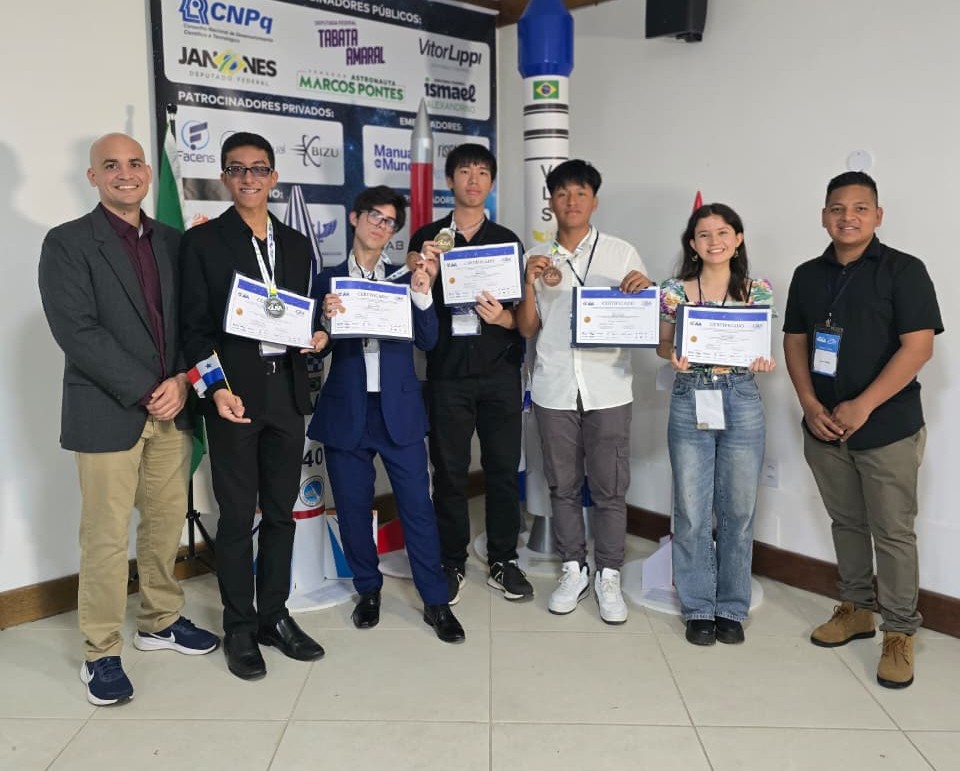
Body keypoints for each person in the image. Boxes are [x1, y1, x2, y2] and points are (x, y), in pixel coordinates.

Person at [38, 133, 220, 706]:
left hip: (173, 407)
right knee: (106, 537)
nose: (125, 173)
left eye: (135, 163)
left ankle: (161, 621)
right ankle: (101, 651)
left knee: (166, 524)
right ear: (92, 177)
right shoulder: (67, 243)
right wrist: (149, 389)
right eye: (110, 165)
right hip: (107, 410)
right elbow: (77, 331)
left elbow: (194, 323)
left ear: (149, 174)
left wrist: (184, 382)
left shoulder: (174, 241)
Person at [783, 171, 942, 688]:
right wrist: (808, 403)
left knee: (893, 533)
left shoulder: (904, 271)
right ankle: (856, 608)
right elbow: (795, 341)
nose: (846, 217)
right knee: (846, 522)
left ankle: (900, 631)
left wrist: (863, 406)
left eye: (858, 208)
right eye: (836, 208)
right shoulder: (808, 275)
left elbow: (918, 347)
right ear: (824, 214)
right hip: (824, 426)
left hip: (887, 427)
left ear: (878, 214)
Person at [179, 132, 328, 680]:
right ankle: (239, 627)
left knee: (282, 514)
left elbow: (298, 315)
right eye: (236, 169)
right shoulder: (203, 243)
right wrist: (215, 388)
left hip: (286, 395)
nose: (248, 178)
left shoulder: (294, 244)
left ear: (273, 176)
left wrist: (318, 335)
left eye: (258, 169)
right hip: (233, 398)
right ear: (224, 177)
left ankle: (274, 615)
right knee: (238, 518)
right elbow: (193, 331)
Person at [309, 185, 465, 643]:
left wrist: (421, 293)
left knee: (418, 508)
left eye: (389, 221)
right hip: (347, 411)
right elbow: (312, 350)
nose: (381, 225)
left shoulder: (405, 278)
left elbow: (429, 341)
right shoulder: (326, 280)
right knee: (355, 511)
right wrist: (323, 321)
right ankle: (368, 589)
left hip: (399, 411)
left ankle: (435, 600)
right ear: (355, 219)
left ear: (394, 232)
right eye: (374, 216)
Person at [516, 159, 651, 624]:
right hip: (554, 386)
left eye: (581, 193)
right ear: (551, 201)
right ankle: (573, 567)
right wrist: (528, 283)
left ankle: (608, 574)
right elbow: (527, 327)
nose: (571, 201)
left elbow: (646, 318)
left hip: (608, 386)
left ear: (594, 200)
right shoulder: (538, 259)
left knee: (611, 489)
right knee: (563, 485)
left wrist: (644, 290)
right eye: (562, 193)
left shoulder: (621, 253)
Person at [406, 143, 532, 605]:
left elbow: (522, 315)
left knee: (501, 470)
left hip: (499, 372)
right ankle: (451, 560)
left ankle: (503, 558)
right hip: (447, 374)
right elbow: (416, 304)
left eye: (482, 172)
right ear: (450, 180)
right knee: (451, 472)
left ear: (491, 183)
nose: (473, 180)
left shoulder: (506, 240)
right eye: (464, 171)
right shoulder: (429, 237)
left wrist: (502, 318)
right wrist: (419, 273)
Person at [657, 203, 775, 646]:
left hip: (742, 395)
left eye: (723, 232)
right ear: (692, 243)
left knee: (739, 509)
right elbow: (662, 345)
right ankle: (698, 606)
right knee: (690, 508)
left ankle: (731, 606)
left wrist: (762, 360)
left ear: (738, 238)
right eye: (703, 234)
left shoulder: (757, 291)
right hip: (692, 394)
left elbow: (760, 344)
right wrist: (672, 356)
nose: (714, 241)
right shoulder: (674, 290)